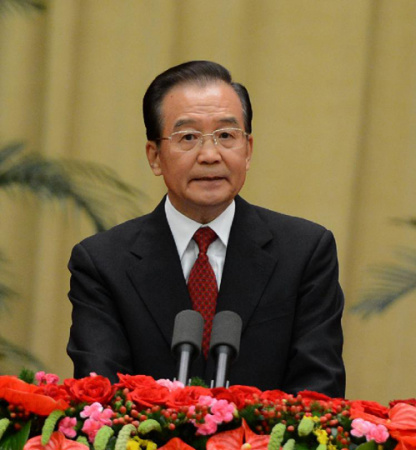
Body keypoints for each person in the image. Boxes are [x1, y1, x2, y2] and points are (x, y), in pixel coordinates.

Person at [67, 60, 345, 396]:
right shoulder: (102, 263)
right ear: (154, 156)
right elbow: (101, 393)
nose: (210, 154)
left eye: (226, 135)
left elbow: (319, 391)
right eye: (188, 137)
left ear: (248, 150)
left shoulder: (304, 252)